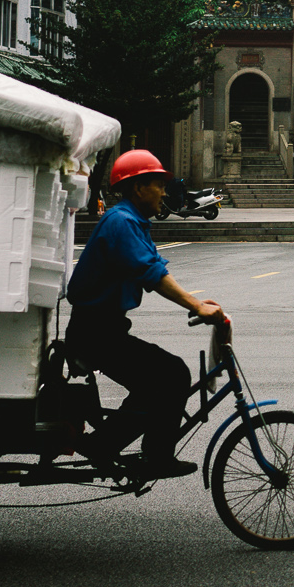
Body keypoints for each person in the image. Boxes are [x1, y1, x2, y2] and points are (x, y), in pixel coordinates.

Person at [64, 148, 224, 479]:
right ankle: (118, 448)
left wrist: (198, 303)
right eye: (158, 184)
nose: (165, 192)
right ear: (139, 188)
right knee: (170, 375)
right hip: (94, 333)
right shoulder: (121, 222)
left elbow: (157, 268)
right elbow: (150, 273)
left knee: (164, 377)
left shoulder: (132, 221)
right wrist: (194, 305)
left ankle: (139, 450)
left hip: (103, 329)